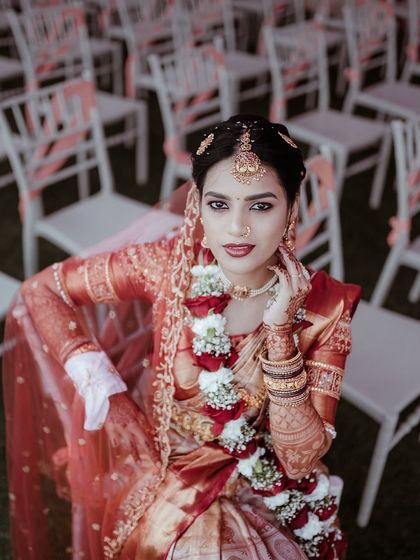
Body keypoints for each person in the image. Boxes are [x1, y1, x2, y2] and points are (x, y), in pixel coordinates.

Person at [3, 115, 361, 560]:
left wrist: (281, 333)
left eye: (261, 206)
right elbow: (44, 290)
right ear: (198, 203)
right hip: (169, 469)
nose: (236, 229)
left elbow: (298, 459)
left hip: (266, 481)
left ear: (291, 206)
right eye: (219, 204)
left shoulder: (326, 308)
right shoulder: (166, 266)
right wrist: (110, 396)